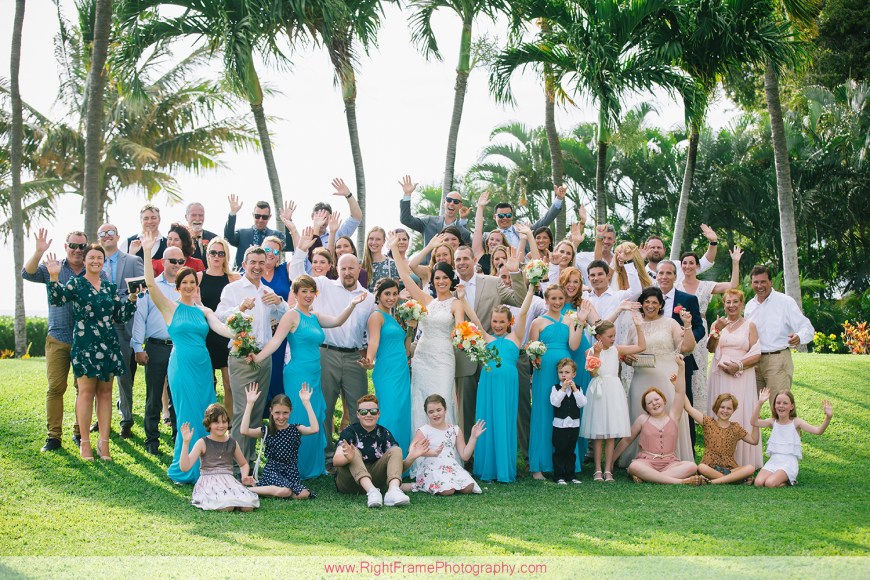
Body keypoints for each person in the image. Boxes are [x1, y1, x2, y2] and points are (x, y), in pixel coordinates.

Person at [141, 231, 235, 483]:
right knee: (185, 414)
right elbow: (150, 285)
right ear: (178, 286)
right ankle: (184, 466)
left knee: (207, 411)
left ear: (196, 285)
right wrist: (148, 252)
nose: (189, 286)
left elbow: (223, 330)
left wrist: (241, 326)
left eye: (193, 283)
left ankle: (209, 464)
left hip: (203, 366)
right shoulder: (170, 308)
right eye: (185, 283)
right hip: (181, 366)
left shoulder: (204, 311)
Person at [252, 274, 366, 478]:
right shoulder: (291, 316)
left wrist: (352, 304)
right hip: (298, 374)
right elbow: (276, 341)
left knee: (314, 416)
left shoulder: (315, 317)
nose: (308, 295)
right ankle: (294, 466)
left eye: (311, 291)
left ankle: (313, 466)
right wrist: (258, 358)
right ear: (294, 294)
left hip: (315, 373)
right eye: (303, 291)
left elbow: (337, 321)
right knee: (299, 417)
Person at [45, 244, 138, 460]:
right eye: (92, 257)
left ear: (104, 262)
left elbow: (121, 316)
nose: (96, 261)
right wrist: (53, 276)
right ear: (85, 261)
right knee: (86, 393)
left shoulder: (109, 287)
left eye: (100, 258)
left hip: (108, 343)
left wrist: (133, 298)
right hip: (85, 343)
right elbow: (57, 299)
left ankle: (103, 444)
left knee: (105, 393)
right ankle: (85, 443)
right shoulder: (76, 283)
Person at [23, 230, 106, 451]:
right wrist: (39, 251)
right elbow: (27, 273)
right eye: (73, 245)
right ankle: (53, 437)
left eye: (82, 247)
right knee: (56, 388)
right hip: (58, 337)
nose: (77, 250)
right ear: (65, 246)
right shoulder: (54, 268)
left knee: (84, 390)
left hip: (86, 341)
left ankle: (81, 433)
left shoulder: (95, 270)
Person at [216, 247, 289, 468]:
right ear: (245, 263)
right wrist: (240, 308)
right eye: (252, 262)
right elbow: (220, 316)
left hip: (263, 357)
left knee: (257, 411)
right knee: (241, 410)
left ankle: (248, 461)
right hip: (240, 356)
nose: (257, 266)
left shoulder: (267, 291)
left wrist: (279, 302)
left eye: (261, 262)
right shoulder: (233, 289)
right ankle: (235, 464)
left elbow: (287, 317)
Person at [456, 282, 535, 483]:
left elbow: (524, 312)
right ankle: (486, 468)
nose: (498, 325)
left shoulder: (516, 337)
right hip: (488, 385)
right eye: (495, 321)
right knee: (487, 420)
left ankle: (503, 468)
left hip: (508, 386)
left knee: (505, 421)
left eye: (501, 322)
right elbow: (473, 318)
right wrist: (463, 297)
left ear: (509, 322)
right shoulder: (487, 338)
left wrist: (532, 289)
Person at [389, 233, 464, 433]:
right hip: (422, 357)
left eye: (445, 278)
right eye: (437, 278)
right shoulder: (426, 300)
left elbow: (460, 329)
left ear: (451, 280)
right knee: (420, 400)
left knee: (443, 398)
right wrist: (394, 248)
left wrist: (461, 336)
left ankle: (445, 454)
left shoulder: (456, 304)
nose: (441, 282)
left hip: (444, 358)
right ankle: (421, 453)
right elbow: (405, 276)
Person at [452, 245, 528, 438]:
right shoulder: (448, 285)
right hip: (464, 356)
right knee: (466, 409)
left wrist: (515, 273)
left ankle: (497, 449)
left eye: (465, 259)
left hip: (494, 354)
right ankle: (468, 457)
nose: (461, 263)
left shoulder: (493, 282)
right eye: (458, 260)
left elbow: (519, 300)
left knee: (496, 406)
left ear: (474, 261)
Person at [621, 286, 696, 467]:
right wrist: (628, 359)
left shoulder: (670, 323)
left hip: (666, 377)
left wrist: (687, 325)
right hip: (641, 377)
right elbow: (625, 354)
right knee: (640, 413)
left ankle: (670, 454)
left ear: (661, 304)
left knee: (669, 412)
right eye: (647, 302)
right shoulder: (634, 325)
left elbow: (687, 347)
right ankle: (640, 455)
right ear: (642, 304)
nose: (650, 305)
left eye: (655, 302)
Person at [613, 355, 706, 485]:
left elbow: (679, 393)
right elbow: (627, 440)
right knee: (634, 466)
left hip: (670, 464)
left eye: (657, 399)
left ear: (664, 400)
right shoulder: (642, 419)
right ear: (646, 408)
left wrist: (681, 367)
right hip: (647, 462)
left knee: (691, 466)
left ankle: (650, 477)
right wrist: (610, 462)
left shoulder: (673, 416)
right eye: (649, 402)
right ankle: (681, 481)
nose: (654, 403)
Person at [528, 285, 586, 479]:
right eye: (553, 298)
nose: (557, 302)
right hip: (544, 371)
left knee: (565, 411)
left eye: (560, 298)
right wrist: (534, 358)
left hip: (564, 367)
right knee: (543, 413)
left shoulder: (569, 319)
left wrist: (581, 322)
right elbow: (531, 348)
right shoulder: (537, 322)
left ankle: (566, 465)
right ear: (546, 300)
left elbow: (574, 345)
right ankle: (538, 465)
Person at [130, 245, 184, 455]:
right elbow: (140, 318)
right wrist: (137, 347)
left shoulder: (186, 286)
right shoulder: (150, 286)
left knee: (176, 395)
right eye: (173, 261)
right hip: (156, 346)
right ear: (163, 262)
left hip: (179, 348)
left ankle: (178, 436)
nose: (177, 265)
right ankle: (152, 440)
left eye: (181, 262)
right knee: (153, 396)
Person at [676, 246, 742, 410]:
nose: (688, 266)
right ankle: (680, 403)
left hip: (699, 328)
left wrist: (735, 263)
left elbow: (733, 285)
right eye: (684, 263)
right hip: (679, 329)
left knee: (699, 367)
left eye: (691, 263)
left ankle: (698, 409)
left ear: (697, 266)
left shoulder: (706, 285)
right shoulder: (675, 285)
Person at [581, 318, 646, 482]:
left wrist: (639, 326)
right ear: (599, 337)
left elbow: (641, 347)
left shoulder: (617, 350)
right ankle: (597, 469)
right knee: (598, 433)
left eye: (614, 335)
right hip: (599, 390)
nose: (613, 338)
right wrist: (596, 353)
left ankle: (608, 469)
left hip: (614, 390)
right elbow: (593, 373)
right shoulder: (589, 352)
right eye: (610, 336)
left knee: (611, 433)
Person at [334, 394, 426, 507]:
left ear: (378, 414)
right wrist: (347, 457)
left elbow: (395, 468)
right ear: (358, 414)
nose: (368, 415)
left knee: (396, 450)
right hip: (349, 482)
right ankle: (372, 491)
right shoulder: (349, 432)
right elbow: (336, 461)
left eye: (373, 411)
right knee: (354, 452)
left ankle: (393, 491)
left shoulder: (384, 433)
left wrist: (412, 456)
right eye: (363, 412)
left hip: (375, 480)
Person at [706, 288, 762, 468]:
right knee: (720, 410)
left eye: (735, 302)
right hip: (720, 374)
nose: (731, 305)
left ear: (742, 304)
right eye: (728, 302)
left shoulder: (749, 325)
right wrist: (716, 330)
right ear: (724, 304)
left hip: (741, 374)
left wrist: (738, 365)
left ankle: (742, 459)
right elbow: (710, 348)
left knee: (740, 410)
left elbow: (757, 353)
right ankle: (718, 457)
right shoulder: (718, 324)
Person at [98, 224, 144, 440]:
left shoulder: (133, 261)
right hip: (99, 327)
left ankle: (126, 420)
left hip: (123, 325)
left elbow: (142, 291)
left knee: (124, 375)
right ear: (99, 239)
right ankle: (100, 419)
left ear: (117, 236)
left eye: (110, 233)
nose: (107, 236)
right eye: (102, 234)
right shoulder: (94, 261)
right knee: (101, 374)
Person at [744, 265, 815, 406]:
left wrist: (799, 337)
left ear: (771, 282)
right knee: (750, 407)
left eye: (763, 281)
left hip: (777, 360)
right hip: (754, 362)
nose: (759, 286)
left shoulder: (785, 302)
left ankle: (787, 428)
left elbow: (807, 327)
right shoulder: (749, 306)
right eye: (756, 282)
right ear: (751, 283)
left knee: (779, 407)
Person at [359, 279, 414, 456]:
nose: (391, 297)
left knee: (402, 413)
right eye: (387, 294)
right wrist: (369, 359)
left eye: (394, 293)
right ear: (379, 295)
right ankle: (386, 458)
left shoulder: (395, 317)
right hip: (387, 371)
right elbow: (373, 341)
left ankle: (402, 458)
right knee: (391, 413)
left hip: (401, 370)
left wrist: (411, 329)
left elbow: (405, 349)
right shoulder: (376, 316)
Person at [654, 260, 706, 447]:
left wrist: (688, 335)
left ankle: (687, 447)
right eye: (661, 273)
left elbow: (701, 328)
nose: (664, 277)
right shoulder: (649, 298)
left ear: (676, 277)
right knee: (656, 399)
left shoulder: (688, 299)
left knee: (684, 403)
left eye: (669, 273)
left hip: (681, 359)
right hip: (656, 360)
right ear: (656, 276)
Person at [240, 384, 317, 499]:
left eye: (285, 413)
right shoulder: (267, 430)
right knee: (285, 491)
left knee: (304, 494)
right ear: (271, 411)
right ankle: (246, 490)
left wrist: (307, 403)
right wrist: (250, 403)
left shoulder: (295, 429)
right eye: (277, 413)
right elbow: (244, 430)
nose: (281, 417)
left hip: (291, 472)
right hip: (272, 471)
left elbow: (314, 429)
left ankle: (268, 490)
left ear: (291, 411)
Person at [179, 405, 260, 511]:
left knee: (247, 506)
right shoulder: (202, 443)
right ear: (209, 424)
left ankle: (234, 499)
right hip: (209, 482)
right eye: (216, 422)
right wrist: (186, 443)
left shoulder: (232, 442)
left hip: (229, 481)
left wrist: (244, 476)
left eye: (224, 421)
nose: (221, 425)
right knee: (228, 506)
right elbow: (185, 467)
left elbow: (243, 464)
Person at [751, 388, 833, 487]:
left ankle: (789, 481)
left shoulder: (796, 422)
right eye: (778, 403)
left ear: (791, 406)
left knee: (770, 483)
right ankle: (777, 477)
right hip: (774, 460)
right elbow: (754, 422)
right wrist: (760, 403)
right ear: (774, 405)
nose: (781, 406)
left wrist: (828, 418)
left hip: (788, 462)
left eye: (785, 403)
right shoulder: (772, 422)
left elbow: (818, 431)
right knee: (758, 483)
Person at [196, 237, 241, 419]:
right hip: (205, 335)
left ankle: (229, 421)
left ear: (226, 256)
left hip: (226, 334)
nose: (216, 256)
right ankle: (209, 421)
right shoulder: (198, 277)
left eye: (220, 253)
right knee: (207, 382)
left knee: (229, 383)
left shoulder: (233, 278)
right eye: (213, 252)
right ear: (207, 254)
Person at [410, 395, 484, 495]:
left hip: (451, 465)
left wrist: (473, 438)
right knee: (447, 491)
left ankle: (452, 483)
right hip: (432, 466)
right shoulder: (424, 430)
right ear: (427, 414)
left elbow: (465, 456)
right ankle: (425, 483)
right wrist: (431, 453)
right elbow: (412, 449)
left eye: (439, 410)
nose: (435, 414)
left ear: (445, 409)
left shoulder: (455, 429)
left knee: (468, 488)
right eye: (431, 412)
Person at [683, 393, 760, 485]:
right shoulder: (708, 422)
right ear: (716, 408)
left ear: (733, 410)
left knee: (750, 468)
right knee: (701, 467)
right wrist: (679, 387)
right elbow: (688, 408)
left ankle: (712, 482)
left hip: (730, 469)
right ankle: (734, 480)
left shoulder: (736, 428)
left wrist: (756, 424)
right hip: (710, 467)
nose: (725, 411)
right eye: (722, 407)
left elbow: (754, 440)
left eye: (729, 408)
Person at [399, 175, 471, 260]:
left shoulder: (464, 232)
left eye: (455, 202)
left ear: (460, 206)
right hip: (427, 269)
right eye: (449, 200)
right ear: (444, 201)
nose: (451, 203)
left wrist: (463, 220)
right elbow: (406, 220)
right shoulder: (429, 221)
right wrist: (407, 195)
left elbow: (465, 251)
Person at [259, 235, 294, 407]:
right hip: (259, 332)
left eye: (275, 251)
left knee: (278, 374)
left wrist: (280, 301)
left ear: (279, 255)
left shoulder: (284, 271)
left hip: (281, 333)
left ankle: (279, 414)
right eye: (267, 249)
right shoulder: (250, 272)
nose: (270, 253)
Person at [490, 185, 566, 249]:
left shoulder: (524, 230)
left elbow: (544, 221)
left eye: (508, 215)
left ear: (512, 216)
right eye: (501, 216)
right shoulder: (489, 238)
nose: (505, 218)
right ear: (494, 217)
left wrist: (559, 198)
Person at [549, 359, 588, 485]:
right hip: (559, 426)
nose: (564, 375)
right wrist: (563, 390)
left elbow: (582, 403)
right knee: (560, 451)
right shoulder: (555, 388)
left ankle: (571, 475)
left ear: (574, 374)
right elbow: (555, 402)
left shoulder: (579, 389)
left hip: (574, 425)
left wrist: (575, 390)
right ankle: (559, 476)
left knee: (570, 452)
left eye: (567, 372)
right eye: (561, 372)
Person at [224, 196, 286, 269]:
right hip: (242, 277)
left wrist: (288, 222)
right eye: (257, 216)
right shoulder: (242, 234)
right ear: (253, 215)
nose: (260, 220)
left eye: (264, 217)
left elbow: (290, 246)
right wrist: (232, 214)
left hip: (268, 277)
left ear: (269, 217)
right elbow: (228, 237)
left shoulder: (276, 236)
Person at [642, 225, 718, 282]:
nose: (656, 250)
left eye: (659, 247)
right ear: (646, 250)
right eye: (652, 247)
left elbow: (705, 263)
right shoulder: (640, 274)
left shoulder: (679, 266)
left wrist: (713, 242)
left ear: (664, 250)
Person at [362, 227, 399, 292]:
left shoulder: (392, 264)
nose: (373, 242)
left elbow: (395, 292)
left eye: (378, 239)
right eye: (371, 239)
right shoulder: (361, 264)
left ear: (383, 242)